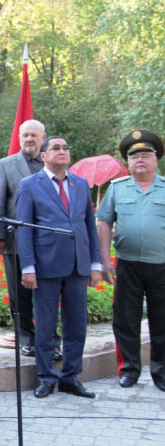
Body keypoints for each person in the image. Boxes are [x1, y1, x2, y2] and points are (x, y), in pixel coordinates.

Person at [16, 136, 102, 399]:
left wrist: (95, 263)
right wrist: (27, 267)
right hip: (45, 266)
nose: (62, 151)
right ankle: (46, 377)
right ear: (43, 155)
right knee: (45, 326)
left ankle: (70, 377)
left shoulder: (80, 184)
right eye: (56, 148)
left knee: (77, 326)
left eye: (66, 147)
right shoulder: (29, 185)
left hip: (77, 264)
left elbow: (89, 225)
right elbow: (24, 229)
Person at [96, 129, 165, 392]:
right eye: (134, 155)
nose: (140, 160)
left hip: (161, 265)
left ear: (156, 160)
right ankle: (129, 370)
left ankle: (161, 372)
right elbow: (104, 223)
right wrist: (105, 260)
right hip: (127, 264)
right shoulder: (117, 189)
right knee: (125, 320)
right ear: (128, 161)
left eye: (146, 155)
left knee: (162, 321)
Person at [0, 120, 62, 361]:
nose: (29, 139)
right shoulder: (5, 165)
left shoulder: (52, 163)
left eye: (34, 135)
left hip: (49, 243)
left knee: (49, 292)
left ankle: (51, 339)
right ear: (19, 137)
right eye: (25, 135)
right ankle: (27, 339)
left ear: (43, 138)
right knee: (19, 294)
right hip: (16, 240)